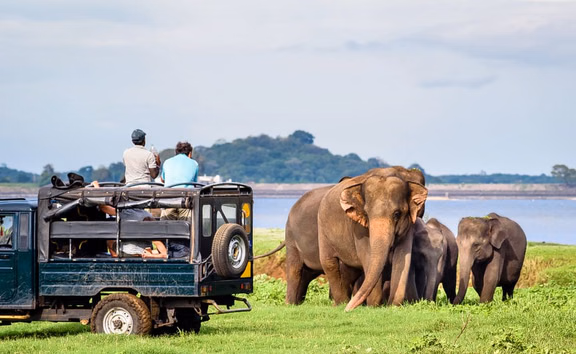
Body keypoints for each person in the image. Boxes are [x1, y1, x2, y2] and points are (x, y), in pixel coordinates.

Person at [160, 141, 199, 220]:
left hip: (168, 198)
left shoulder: (167, 162)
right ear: (190, 153)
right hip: (185, 200)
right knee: (187, 227)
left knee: (166, 227)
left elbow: (163, 180)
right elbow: (194, 183)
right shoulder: (194, 163)